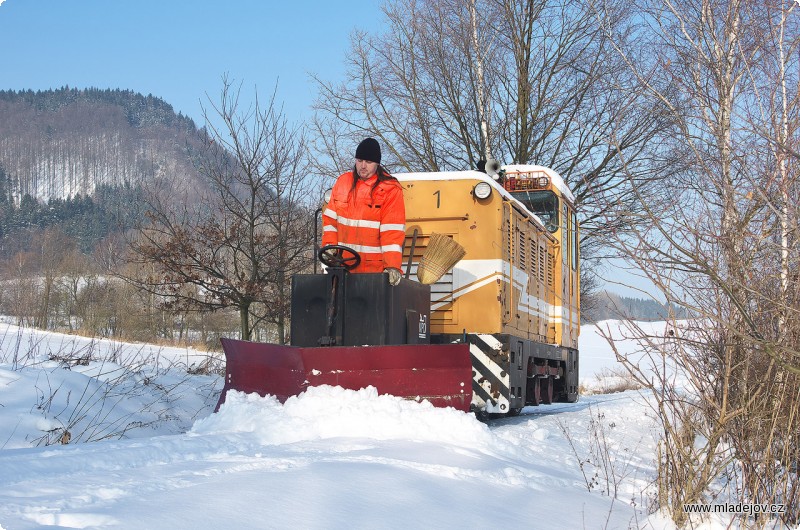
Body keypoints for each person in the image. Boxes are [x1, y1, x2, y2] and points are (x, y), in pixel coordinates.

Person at [321, 137, 406, 286]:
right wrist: (330, 248)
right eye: (359, 160)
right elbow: (330, 222)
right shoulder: (343, 183)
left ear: (377, 163)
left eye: (368, 162)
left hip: (373, 273)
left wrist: (392, 266)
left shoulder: (389, 189)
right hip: (342, 266)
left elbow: (392, 232)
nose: (363, 166)